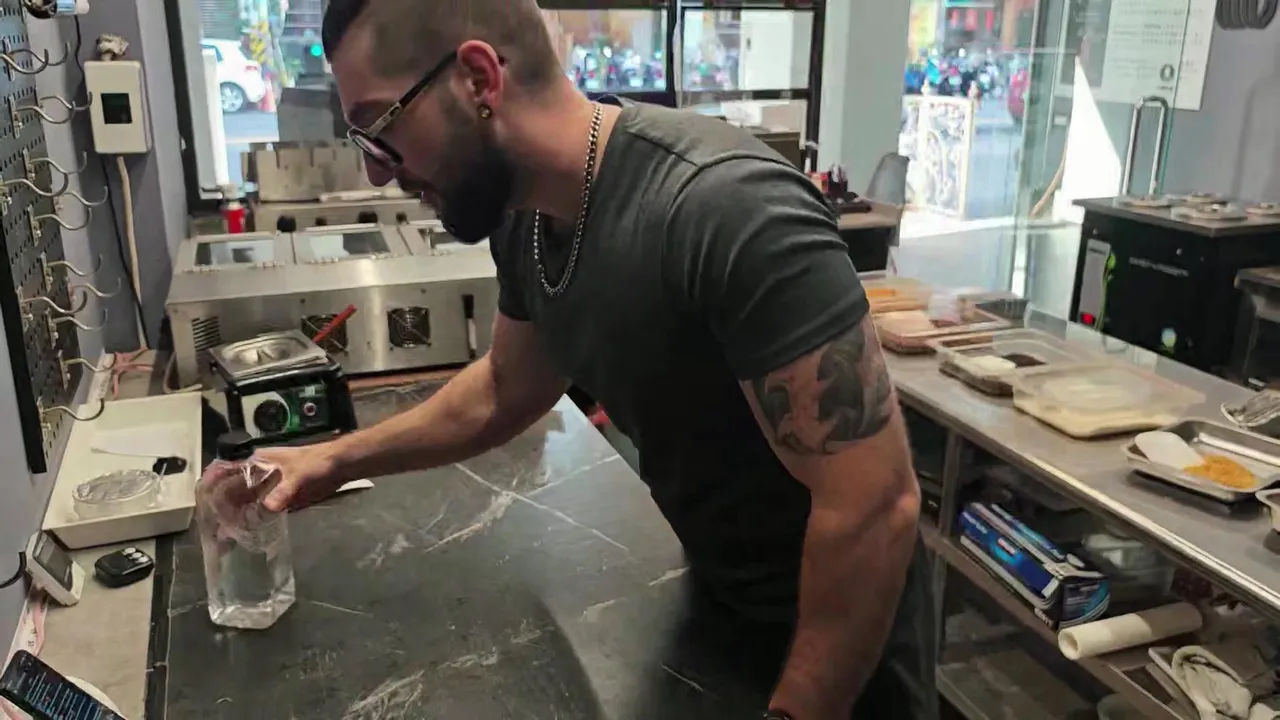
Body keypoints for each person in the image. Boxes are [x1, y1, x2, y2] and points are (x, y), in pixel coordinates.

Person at [257, 0, 936, 717]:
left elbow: (873, 505)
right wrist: (332, 460)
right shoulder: (527, 215)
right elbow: (504, 388)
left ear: (479, 79)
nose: (375, 173)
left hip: (841, 657)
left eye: (382, 126)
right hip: (719, 608)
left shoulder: (726, 208)